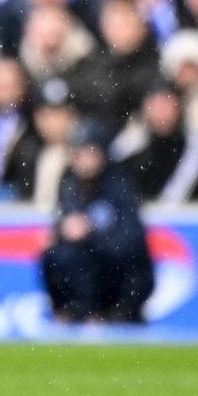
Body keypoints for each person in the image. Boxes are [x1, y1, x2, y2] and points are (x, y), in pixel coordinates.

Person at [40, 122, 155, 323]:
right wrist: (61, 232)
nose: (82, 160)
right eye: (77, 153)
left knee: (86, 258)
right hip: (87, 270)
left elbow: (131, 242)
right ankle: (69, 312)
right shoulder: (69, 184)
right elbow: (64, 226)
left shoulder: (120, 185)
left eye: (88, 153)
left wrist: (90, 232)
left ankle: (100, 314)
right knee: (56, 255)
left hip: (121, 277)